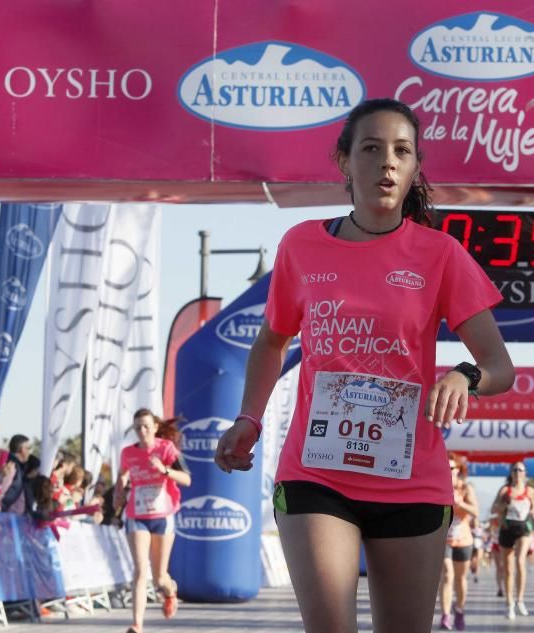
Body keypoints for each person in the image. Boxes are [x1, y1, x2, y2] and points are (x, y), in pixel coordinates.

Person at [213, 97, 514, 633]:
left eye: (402, 151)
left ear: (416, 166)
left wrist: (462, 375)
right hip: (317, 472)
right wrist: (249, 418)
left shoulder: (440, 254)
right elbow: (270, 342)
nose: (388, 162)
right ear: (345, 161)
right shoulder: (301, 245)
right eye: (372, 149)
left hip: (410, 479)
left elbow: (499, 366)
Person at [115, 409, 191, 633]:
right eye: (138, 427)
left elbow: (186, 479)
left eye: (146, 426)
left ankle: (169, 591)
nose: (142, 431)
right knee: (140, 571)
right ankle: (137, 624)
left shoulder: (166, 448)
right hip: (136, 515)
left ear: (155, 427)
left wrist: (165, 470)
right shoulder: (127, 452)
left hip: (162, 516)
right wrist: (119, 490)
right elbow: (122, 474)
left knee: (159, 577)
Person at [490, 461, 534, 620]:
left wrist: (533, 511)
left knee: (520, 561)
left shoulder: (530, 491)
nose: (518, 472)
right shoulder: (505, 490)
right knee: (508, 568)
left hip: (523, 528)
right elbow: (494, 509)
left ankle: (520, 600)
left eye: (521, 469)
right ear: (511, 473)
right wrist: (504, 504)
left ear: (525, 473)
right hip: (506, 528)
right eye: (515, 469)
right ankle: (509, 603)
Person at [437, 454, 478, 630]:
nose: (450, 471)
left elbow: (475, 511)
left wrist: (460, 503)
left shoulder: (466, 488)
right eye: (447, 467)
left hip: (463, 539)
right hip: (444, 539)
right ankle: (446, 615)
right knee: (447, 575)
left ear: (459, 471)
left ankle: (459, 609)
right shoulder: (438, 487)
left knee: (460, 579)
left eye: (453, 468)